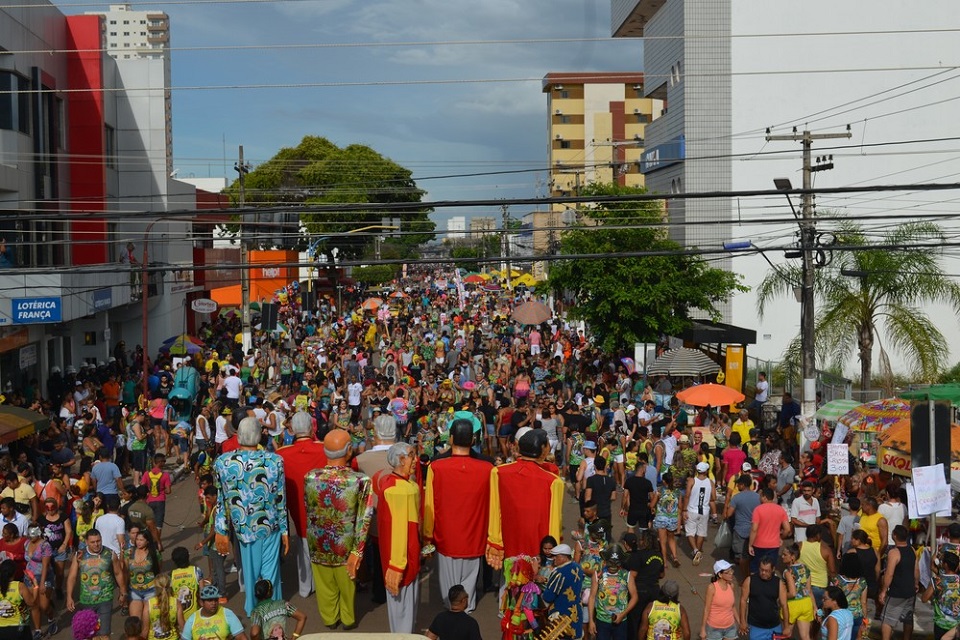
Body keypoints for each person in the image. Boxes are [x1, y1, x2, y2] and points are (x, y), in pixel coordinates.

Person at [213, 417, 289, 615]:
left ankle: (253, 609)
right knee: (271, 571)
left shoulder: (223, 462)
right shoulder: (275, 460)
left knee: (250, 570)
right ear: (259, 435)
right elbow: (281, 498)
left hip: (243, 528)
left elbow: (221, 500)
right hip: (270, 525)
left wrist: (220, 529)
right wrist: (284, 530)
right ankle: (273, 610)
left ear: (238, 435)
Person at [302, 429, 373, 630]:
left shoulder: (310, 477)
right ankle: (348, 620)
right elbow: (364, 519)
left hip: (318, 542)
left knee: (324, 586)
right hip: (346, 546)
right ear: (349, 450)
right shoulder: (359, 480)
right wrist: (358, 550)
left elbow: (309, 507)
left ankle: (330, 620)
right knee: (347, 586)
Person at [423, 419, 492, 613]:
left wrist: (427, 536)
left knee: (448, 583)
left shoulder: (436, 467)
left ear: (451, 438)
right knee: (470, 580)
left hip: (446, 535)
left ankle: (451, 611)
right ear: (472, 440)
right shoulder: (487, 469)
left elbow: (429, 505)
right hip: (475, 535)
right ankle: (465, 610)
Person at [486, 429, 564, 568]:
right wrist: (554, 550)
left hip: (509, 543)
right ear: (542, 449)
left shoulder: (499, 472)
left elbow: (494, 510)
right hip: (538, 549)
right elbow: (554, 522)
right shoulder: (552, 481)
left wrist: (495, 542)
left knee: (508, 582)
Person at [275, 411, 327, 599]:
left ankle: (306, 586)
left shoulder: (281, 454)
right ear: (312, 427)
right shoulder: (324, 449)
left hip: (296, 506)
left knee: (302, 543)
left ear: (293, 429)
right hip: (323, 506)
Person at [372, 442, 422, 633]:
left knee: (404, 609)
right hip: (402, 557)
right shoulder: (402, 489)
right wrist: (397, 565)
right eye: (411, 455)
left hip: (401, 553)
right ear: (401, 460)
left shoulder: (392, 483)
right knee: (404, 608)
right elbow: (400, 530)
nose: (415, 460)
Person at [65, 529, 127, 637]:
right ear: (86, 542)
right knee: (89, 633)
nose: (96, 544)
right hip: (86, 600)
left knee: (104, 634)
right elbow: (72, 577)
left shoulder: (110, 554)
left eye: (98, 541)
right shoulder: (79, 555)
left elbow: (118, 573)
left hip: (105, 598)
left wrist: (123, 592)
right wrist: (69, 597)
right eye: (93, 542)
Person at [587, 545, 637, 640]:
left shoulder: (627, 575)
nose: (613, 566)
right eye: (611, 563)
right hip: (601, 621)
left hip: (621, 621)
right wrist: (591, 621)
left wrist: (622, 614)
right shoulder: (598, 575)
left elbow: (635, 597)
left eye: (616, 564)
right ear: (605, 561)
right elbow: (592, 597)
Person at [879, 525, 918, 640]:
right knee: (908, 619)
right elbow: (916, 569)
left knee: (887, 620)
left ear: (894, 536)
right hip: (910, 590)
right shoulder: (912, 550)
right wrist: (916, 583)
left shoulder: (894, 552)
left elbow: (889, 574)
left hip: (897, 592)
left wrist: (883, 591)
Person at [541, 543, 585, 640]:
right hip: (577, 614)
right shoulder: (578, 567)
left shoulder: (559, 572)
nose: (553, 559)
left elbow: (548, 597)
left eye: (556, 556)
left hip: (561, 617)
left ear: (563, 557)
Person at [739, 556, 789, 640]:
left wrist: (786, 626)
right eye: (761, 569)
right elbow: (743, 601)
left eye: (767, 571)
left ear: (773, 569)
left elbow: (784, 605)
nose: (763, 573)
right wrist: (742, 621)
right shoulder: (750, 580)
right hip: (756, 626)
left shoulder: (778, 583)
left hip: (775, 626)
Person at [179, 585, 247, 640]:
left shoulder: (227, 614)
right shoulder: (192, 620)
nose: (214, 603)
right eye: (210, 600)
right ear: (201, 602)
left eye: (216, 600)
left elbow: (241, 637)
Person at [125, 530, 161, 628]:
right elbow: (125, 572)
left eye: (141, 540)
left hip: (151, 590)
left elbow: (158, 570)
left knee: (148, 622)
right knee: (135, 623)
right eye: (137, 539)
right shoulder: (129, 552)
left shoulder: (154, 553)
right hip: (134, 591)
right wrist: (123, 590)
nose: (138, 542)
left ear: (147, 541)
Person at [682, 461, 716, 566]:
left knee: (690, 532)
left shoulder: (692, 481)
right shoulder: (710, 482)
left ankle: (696, 550)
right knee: (701, 533)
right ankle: (697, 551)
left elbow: (687, 495)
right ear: (706, 471)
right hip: (704, 511)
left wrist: (684, 510)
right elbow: (714, 497)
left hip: (692, 510)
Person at [749, 487, 790, 572]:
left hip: (758, 544)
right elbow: (787, 529)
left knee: (756, 567)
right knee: (770, 568)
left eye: (760, 496)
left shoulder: (758, 510)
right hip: (774, 545)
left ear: (764, 497)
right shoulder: (780, 509)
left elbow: (754, 529)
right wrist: (781, 537)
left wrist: (750, 544)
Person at [921, 550, 960, 640]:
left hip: (941, 624)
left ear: (945, 565)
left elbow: (923, 599)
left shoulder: (937, 581)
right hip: (957, 625)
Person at [781, 543, 817, 640]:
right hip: (806, 603)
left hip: (793, 605)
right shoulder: (805, 568)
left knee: (786, 635)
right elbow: (809, 590)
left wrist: (781, 596)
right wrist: (815, 607)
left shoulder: (787, 572)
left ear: (792, 556)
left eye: (785, 555)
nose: (782, 556)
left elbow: (792, 593)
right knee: (806, 637)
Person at [23, 525, 53, 640]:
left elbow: (45, 565)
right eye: (29, 534)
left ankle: (51, 618)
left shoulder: (45, 545)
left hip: (43, 578)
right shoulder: (26, 543)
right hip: (30, 578)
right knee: (33, 604)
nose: (31, 537)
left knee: (44, 606)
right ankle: (38, 630)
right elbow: (27, 559)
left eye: (33, 534)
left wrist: (42, 583)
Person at [700, 560, 740, 640]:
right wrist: (703, 629)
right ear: (720, 574)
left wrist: (740, 622)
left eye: (731, 570)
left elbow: (732, 607)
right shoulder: (712, 588)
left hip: (730, 627)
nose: (731, 573)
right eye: (727, 572)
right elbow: (707, 609)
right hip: (714, 628)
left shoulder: (731, 586)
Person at [833, 552, 868, 640]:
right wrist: (865, 618)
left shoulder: (837, 580)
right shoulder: (862, 581)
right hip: (857, 616)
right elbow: (863, 602)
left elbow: (832, 597)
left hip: (841, 616)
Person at [801, 524, 836, 608]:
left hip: (802, 585)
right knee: (818, 613)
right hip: (820, 586)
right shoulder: (826, 550)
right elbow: (832, 571)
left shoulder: (798, 546)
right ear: (817, 535)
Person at [652, 471, 682, 568]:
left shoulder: (659, 490)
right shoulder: (677, 492)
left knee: (662, 541)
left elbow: (652, 504)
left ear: (664, 481)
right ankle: (675, 557)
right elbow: (680, 507)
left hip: (661, 518)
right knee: (671, 538)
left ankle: (664, 562)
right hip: (672, 518)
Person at [0, 558, 35, 640]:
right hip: (20, 627)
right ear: (14, 572)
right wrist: (34, 585)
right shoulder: (19, 586)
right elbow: (31, 603)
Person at [621, 452, 655, 532]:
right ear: (643, 469)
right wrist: (653, 507)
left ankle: (630, 543)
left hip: (633, 509)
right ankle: (643, 543)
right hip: (644, 510)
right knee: (644, 533)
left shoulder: (629, 481)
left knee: (630, 528)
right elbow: (652, 497)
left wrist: (622, 508)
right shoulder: (647, 482)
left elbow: (625, 496)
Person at [141, 454, 171, 542]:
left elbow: (142, 487)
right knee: (158, 524)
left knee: (149, 523)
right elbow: (168, 491)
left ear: (154, 462)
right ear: (162, 463)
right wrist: (161, 490)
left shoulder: (147, 474)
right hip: (160, 501)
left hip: (149, 501)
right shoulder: (165, 475)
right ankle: (157, 543)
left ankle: (150, 541)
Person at [144, 573, 177, 640]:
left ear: (155, 587)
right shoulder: (176, 602)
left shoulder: (149, 604)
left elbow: (145, 629)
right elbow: (182, 627)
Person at [585, 455, 617, 522]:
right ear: (604, 466)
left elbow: (588, 498)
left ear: (595, 466)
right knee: (606, 530)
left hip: (594, 513)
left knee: (593, 531)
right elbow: (613, 497)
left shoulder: (591, 480)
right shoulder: (611, 480)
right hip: (606, 512)